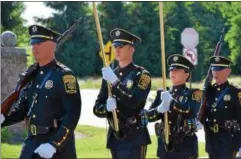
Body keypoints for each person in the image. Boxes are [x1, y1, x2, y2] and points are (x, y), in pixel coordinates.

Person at [0, 25, 81, 159]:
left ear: (53, 47)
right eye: (33, 43)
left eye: (39, 43)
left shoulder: (64, 76)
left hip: (56, 148)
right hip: (32, 143)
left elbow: (72, 115)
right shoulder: (32, 75)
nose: (34, 47)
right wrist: (4, 119)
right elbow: (23, 108)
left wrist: (54, 144)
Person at [93, 28, 151, 159]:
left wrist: (115, 83)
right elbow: (97, 108)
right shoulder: (109, 75)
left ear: (131, 49)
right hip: (115, 136)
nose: (117, 50)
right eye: (115, 46)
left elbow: (134, 103)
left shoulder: (141, 75)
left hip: (134, 137)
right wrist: (106, 109)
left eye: (121, 46)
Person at [144, 54, 202, 159]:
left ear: (187, 74)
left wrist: (171, 103)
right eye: (171, 70)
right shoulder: (162, 93)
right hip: (165, 146)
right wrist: (159, 109)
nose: (172, 73)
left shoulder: (193, 94)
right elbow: (148, 117)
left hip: (185, 146)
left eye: (177, 70)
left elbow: (190, 111)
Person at [202, 56, 241, 159]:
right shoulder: (209, 91)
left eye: (219, 69)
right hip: (211, 139)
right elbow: (203, 114)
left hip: (229, 139)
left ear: (228, 71)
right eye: (214, 69)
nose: (216, 73)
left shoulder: (235, 92)